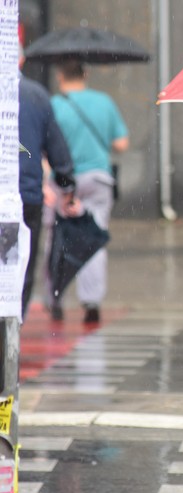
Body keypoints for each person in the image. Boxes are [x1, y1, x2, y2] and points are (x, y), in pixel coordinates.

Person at [49, 60, 129, 323]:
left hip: (63, 181)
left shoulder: (55, 105)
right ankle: (91, 301)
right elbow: (121, 143)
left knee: (57, 239)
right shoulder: (104, 102)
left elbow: (44, 147)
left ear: (60, 75)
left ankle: (55, 297)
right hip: (98, 179)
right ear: (86, 73)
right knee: (93, 238)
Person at [18, 44, 76, 317]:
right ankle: (12, 326)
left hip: (23, 191)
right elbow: (57, 150)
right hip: (25, 195)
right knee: (20, 265)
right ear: (19, 58)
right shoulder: (37, 96)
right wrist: (66, 183)